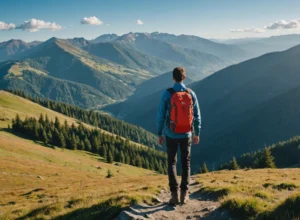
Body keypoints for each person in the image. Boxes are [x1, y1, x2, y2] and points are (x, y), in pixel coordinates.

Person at [157, 67, 201, 205]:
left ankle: (174, 195)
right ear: (184, 77)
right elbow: (197, 115)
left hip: (171, 134)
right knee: (186, 163)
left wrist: (159, 133)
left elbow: (161, 116)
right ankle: (184, 194)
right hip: (187, 134)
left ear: (173, 78)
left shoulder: (167, 94)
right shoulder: (191, 93)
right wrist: (197, 133)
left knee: (172, 162)